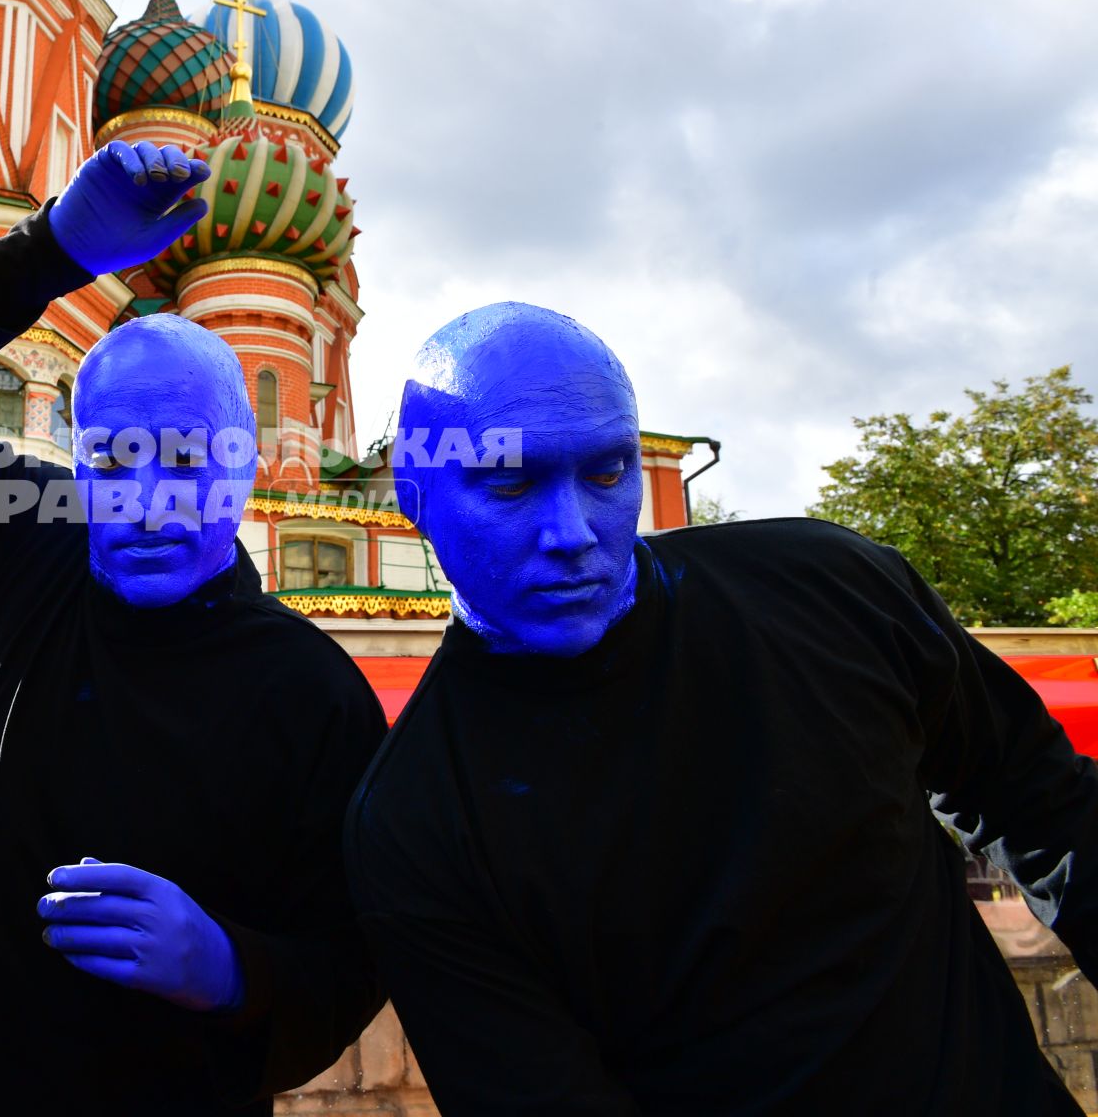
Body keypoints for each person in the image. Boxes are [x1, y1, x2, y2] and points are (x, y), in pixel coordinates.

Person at [345, 301, 1098, 1114]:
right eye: (510, 482)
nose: (571, 533)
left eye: (605, 474)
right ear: (414, 496)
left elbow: (1045, 802)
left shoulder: (833, 589)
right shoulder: (416, 821)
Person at [0, 140, 389, 1115]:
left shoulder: (313, 693)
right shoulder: (18, 545)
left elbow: (353, 954)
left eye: (185, 458)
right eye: (114, 458)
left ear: (246, 463)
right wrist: (43, 254)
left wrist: (230, 967)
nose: (147, 499)